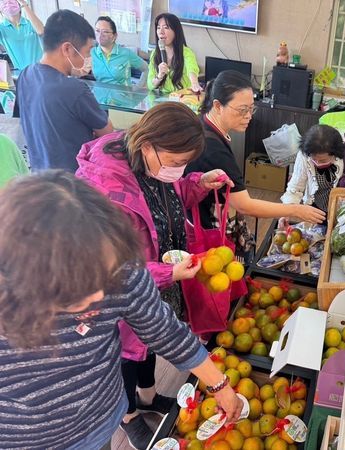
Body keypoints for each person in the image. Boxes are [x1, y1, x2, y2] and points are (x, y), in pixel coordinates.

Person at [0, 171, 242, 450]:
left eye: (105, 278)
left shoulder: (119, 268)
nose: (99, 295)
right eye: (75, 290)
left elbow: (164, 330)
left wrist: (219, 385)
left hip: (101, 420)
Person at [77, 101, 233, 449]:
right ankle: (128, 415)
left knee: (147, 341)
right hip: (119, 292)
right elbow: (109, 268)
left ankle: (147, 397)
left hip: (160, 279)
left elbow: (171, 197)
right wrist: (168, 272)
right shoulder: (106, 189)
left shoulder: (153, 164)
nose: (179, 170)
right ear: (148, 145)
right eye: (176, 163)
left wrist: (199, 183)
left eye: (185, 164)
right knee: (126, 354)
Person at [185, 70, 326, 258]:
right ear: (218, 106)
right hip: (206, 227)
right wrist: (295, 210)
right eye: (242, 110)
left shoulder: (205, 124)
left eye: (252, 108)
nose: (249, 116)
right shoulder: (213, 149)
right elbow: (244, 205)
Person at [17, 9, 113, 172]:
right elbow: (108, 134)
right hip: (73, 183)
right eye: (88, 50)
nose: (89, 57)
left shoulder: (26, 75)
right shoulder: (75, 90)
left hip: (40, 177)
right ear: (68, 49)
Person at [281, 124, 345, 212]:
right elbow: (295, 187)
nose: (317, 163)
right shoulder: (305, 151)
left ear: (336, 153)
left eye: (323, 160)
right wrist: (287, 212)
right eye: (314, 159)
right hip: (317, 207)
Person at [148, 13, 200, 94]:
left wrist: (194, 83)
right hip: (163, 101)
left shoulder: (186, 52)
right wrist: (159, 76)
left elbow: (192, 69)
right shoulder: (155, 54)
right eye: (158, 28)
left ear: (175, 31)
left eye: (165, 27)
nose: (161, 32)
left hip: (183, 100)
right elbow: (150, 85)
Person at [92, 16, 148, 88]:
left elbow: (146, 68)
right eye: (97, 31)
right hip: (100, 97)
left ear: (114, 36)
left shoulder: (126, 53)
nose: (100, 35)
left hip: (122, 97)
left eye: (105, 32)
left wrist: (138, 87)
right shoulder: (92, 53)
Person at [0, 0, 43, 70]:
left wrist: (24, 4)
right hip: (21, 74)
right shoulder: (1, 28)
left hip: (40, 69)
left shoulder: (30, 23)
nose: (8, 3)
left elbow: (41, 30)